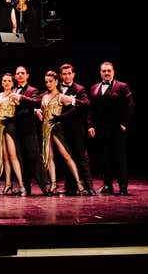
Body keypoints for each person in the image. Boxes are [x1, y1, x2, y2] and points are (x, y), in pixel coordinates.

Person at [35, 70, 85, 196]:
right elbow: (37, 106)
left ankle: (79, 183)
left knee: (66, 155)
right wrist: (37, 111)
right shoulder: (44, 96)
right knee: (49, 157)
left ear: (56, 82)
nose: (48, 84)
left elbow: (76, 107)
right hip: (45, 129)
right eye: (46, 82)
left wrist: (61, 116)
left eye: (50, 81)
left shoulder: (61, 96)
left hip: (56, 128)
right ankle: (53, 184)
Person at [88, 61, 134, 195]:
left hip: (116, 128)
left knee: (119, 157)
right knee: (104, 157)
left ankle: (123, 186)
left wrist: (124, 124)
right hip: (101, 128)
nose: (106, 73)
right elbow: (91, 109)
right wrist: (90, 125)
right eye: (104, 71)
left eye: (109, 70)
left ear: (113, 72)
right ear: (100, 72)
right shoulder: (94, 88)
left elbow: (129, 106)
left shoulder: (122, 86)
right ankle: (107, 185)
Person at [7, 66, 51, 196]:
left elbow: (37, 102)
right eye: (18, 73)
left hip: (28, 129)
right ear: (15, 77)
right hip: (15, 129)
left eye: (22, 73)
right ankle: (25, 187)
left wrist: (20, 98)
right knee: (21, 159)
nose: (20, 75)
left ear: (27, 75)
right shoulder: (12, 90)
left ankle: (45, 186)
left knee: (34, 158)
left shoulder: (32, 90)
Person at [57, 63, 95, 195]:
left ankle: (89, 186)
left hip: (76, 129)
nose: (67, 76)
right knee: (66, 157)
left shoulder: (79, 89)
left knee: (81, 157)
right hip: (61, 128)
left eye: (69, 73)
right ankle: (70, 186)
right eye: (64, 74)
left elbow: (87, 104)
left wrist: (72, 100)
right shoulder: (57, 88)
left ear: (73, 74)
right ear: (61, 75)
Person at [0, 73, 26, 196]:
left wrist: (13, 118)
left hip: (9, 126)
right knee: (5, 157)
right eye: (4, 81)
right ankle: (7, 184)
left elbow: (23, 109)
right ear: (2, 83)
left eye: (9, 81)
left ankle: (22, 185)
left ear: (12, 83)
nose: (6, 83)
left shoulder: (14, 95)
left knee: (12, 156)